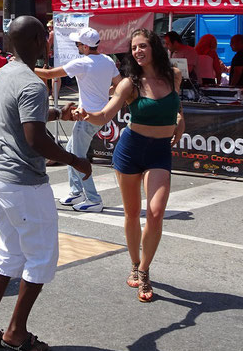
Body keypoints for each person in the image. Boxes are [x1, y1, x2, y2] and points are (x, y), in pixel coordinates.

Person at [0, 15, 91, 351]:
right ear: (39, 40)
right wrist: (76, 160)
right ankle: (16, 332)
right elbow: (35, 138)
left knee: (8, 255)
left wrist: (58, 114)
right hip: (24, 184)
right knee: (39, 258)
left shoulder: (5, 74)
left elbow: (17, 119)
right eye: (47, 38)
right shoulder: (33, 83)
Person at [76, 28, 185, 303]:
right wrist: (84, 115)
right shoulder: (129, 84)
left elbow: (177, 106)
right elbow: (103, 116)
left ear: (154, 47)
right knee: (132, 213)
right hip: (131, 150)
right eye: (134, 47)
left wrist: (180, 121)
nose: (137, 51)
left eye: (143, 46)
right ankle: (135, 263)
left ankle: (145, 270)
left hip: (159, 152)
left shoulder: (173, 76)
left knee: (156, 212)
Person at [35, 27, 122, 213]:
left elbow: (50, 74)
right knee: (70, 151)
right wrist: (103, 93)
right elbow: (119, 86)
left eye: (78, 44)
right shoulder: (107, 60)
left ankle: (93, 198)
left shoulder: (83, 63)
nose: (76, 47)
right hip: (100, 115)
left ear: (84, 46)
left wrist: (23, 67)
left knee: (77, 158)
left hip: (87, 117)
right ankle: (76, 192)